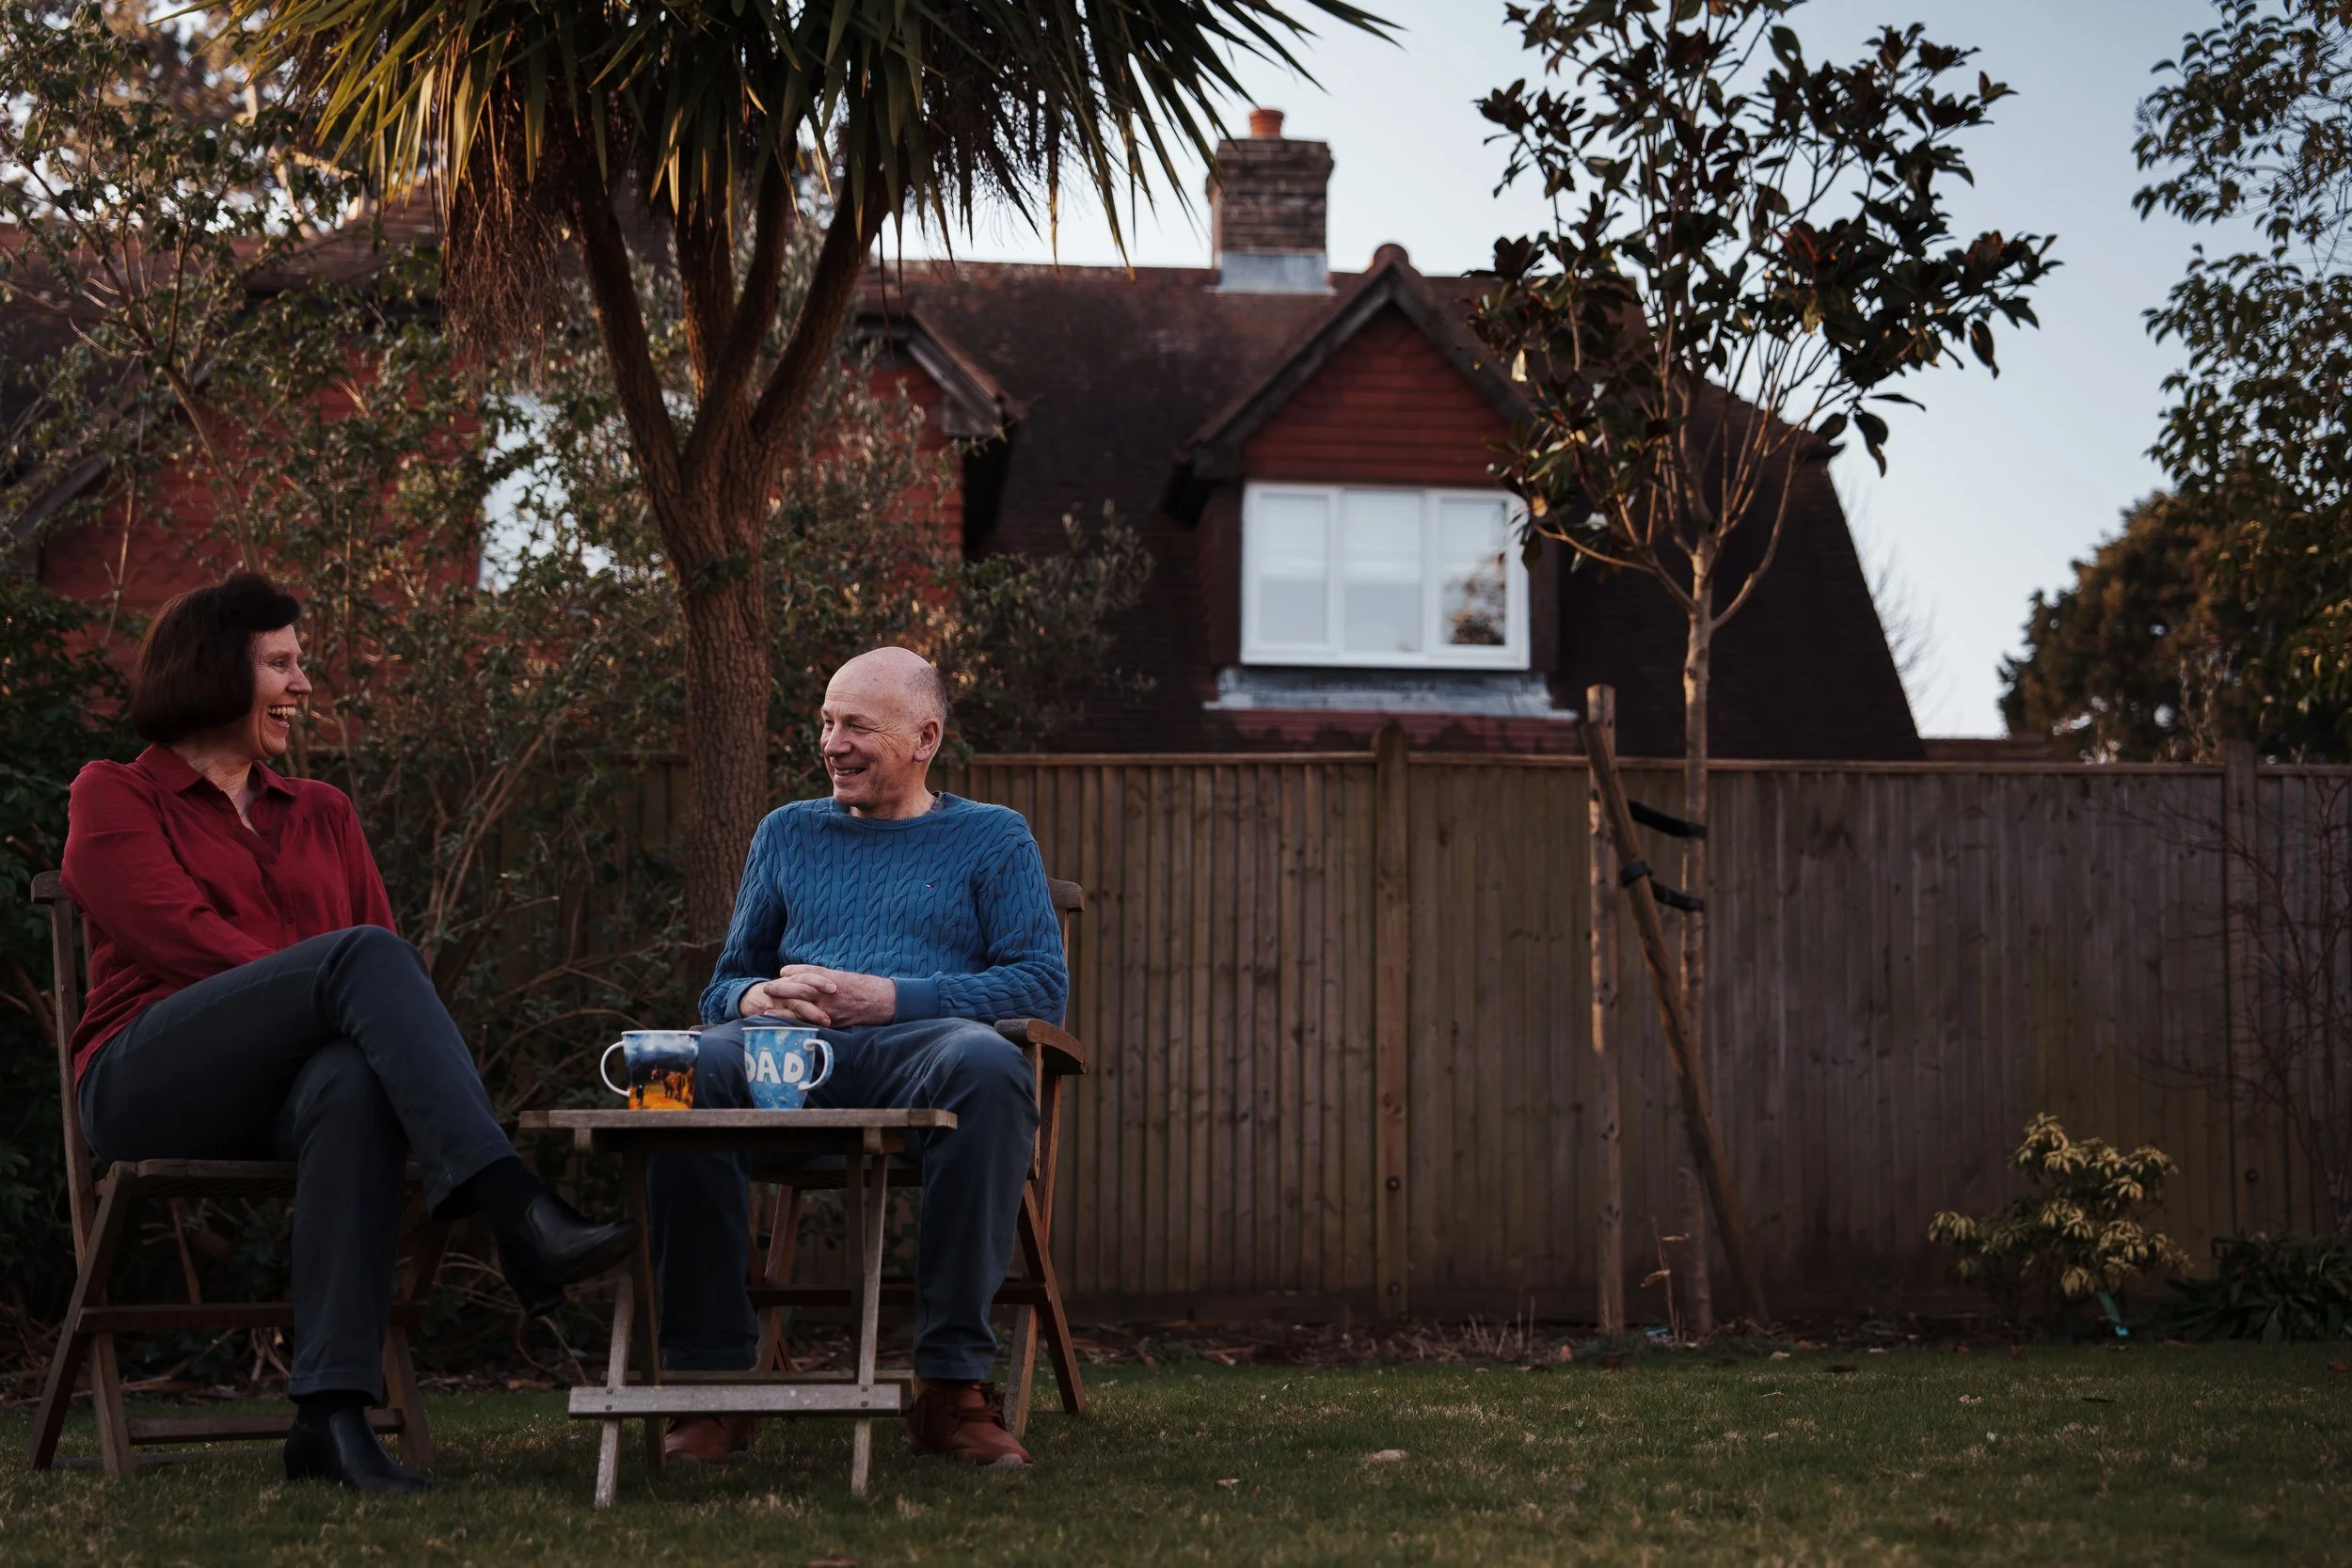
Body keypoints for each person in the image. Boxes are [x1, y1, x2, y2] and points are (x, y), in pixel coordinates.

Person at [60, 574, 636, 1495]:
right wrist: (324, 983)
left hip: (284, 1098)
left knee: (355, 1081)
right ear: (215, 669)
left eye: (301, 662)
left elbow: (383, 971)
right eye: (281, 664)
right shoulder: (115, 795)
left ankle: (329, 1418)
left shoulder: (322, 810)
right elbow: (179, 935)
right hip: (144, 1080)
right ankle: (514, 1206)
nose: (304, 684)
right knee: (356, 963)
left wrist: (338, 995)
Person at [652, 646, 1064, 1469]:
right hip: (788, 1055)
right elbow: (724, 983)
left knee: (989, 1065)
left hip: (923, 1050)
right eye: (827, 724)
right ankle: (712, 1387)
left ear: (925, 738)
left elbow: (1039, 986)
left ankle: (950, 1389)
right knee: (675, 1069)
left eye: (857, 726)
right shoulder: (787, 832)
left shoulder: (993, 838)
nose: (833, 743)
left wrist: (889, 998)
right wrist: (752, 1000)